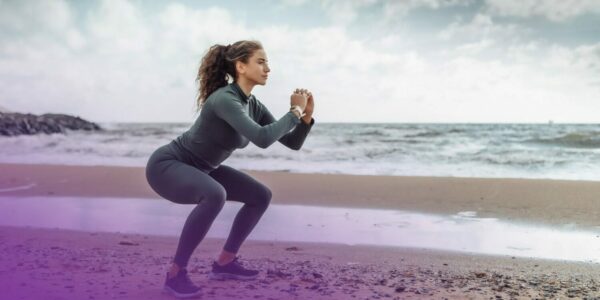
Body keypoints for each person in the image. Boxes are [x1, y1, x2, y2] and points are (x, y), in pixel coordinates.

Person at [145, 40, 315, 298]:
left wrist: (305, 118)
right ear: (241, 66)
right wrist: (293, 110)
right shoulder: (225, 99)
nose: (268, 68)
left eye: (267, 62)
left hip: (204, 168)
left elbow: (292, 143)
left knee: (260, 196)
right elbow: (262, 138)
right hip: (169, 165)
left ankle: (225, 262)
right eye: (261, 61)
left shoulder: (253, 104)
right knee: (215, 195)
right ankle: (175, 274)